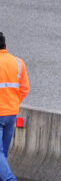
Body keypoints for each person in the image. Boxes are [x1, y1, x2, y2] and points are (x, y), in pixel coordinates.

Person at [0, 32, 29, 181]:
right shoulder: (18, 63)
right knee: (3, 153)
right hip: (11, 113)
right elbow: (25, 88)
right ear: (5, 46)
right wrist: (13, 103)